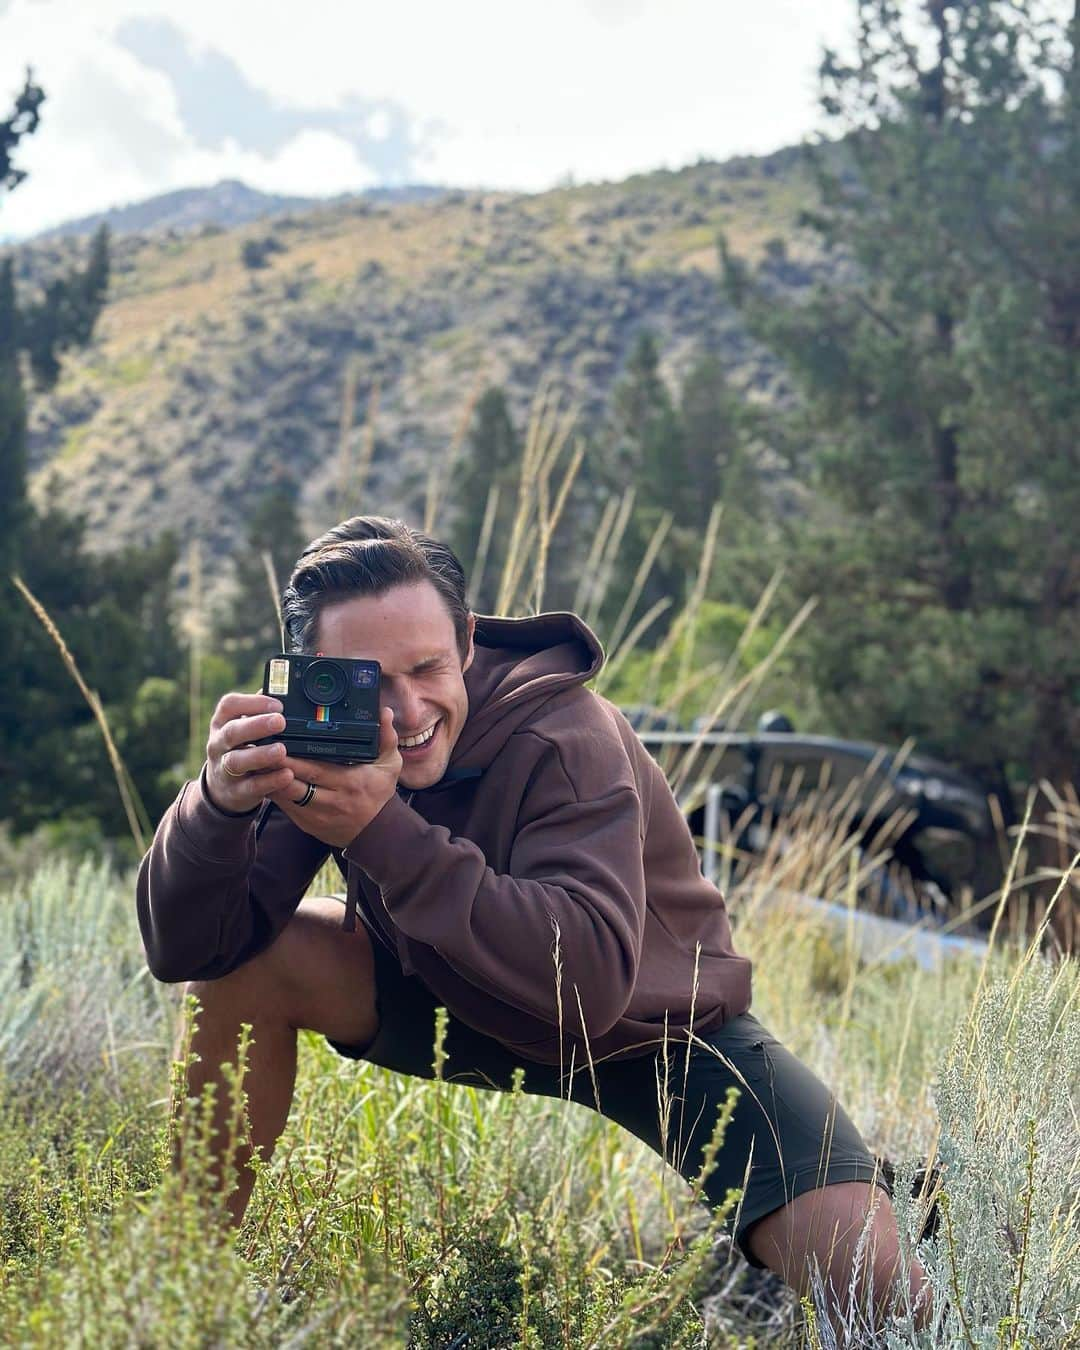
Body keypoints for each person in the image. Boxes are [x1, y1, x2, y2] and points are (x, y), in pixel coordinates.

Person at [137, 515, 930, 1334]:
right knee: (254, 964)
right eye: (368, 679)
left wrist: (381, 832)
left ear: (469, 640)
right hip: (445, 996)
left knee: (885, 1298)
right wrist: (215, 807)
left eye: (428, 666)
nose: (406, 711)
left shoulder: (565, 735)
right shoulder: (323, 745)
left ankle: (902, 1200)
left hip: (657, 1035)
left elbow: (585, 981)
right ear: (312, 676)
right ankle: (184, 1292)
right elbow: (189, 950)